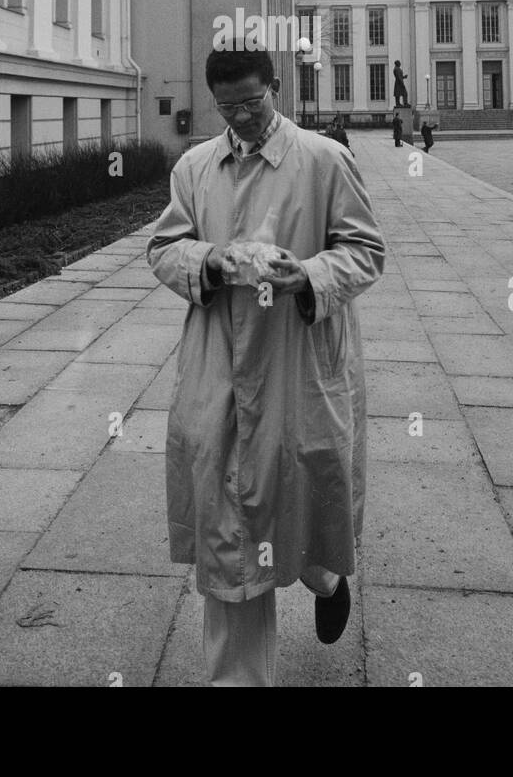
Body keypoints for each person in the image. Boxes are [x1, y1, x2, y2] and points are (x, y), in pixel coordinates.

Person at [146, 44, 385, 687]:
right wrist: (209, 262)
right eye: (228, 107)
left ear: (275, 88)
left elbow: (365, 251)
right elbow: (165, 247)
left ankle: (325, 577)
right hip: (220, 360)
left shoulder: (325, 160)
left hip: (297, 359)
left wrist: (306, 273)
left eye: (252, 102)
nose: (242, 117)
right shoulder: (195, 167)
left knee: (302, 492)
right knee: (229, 533)